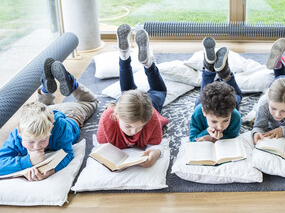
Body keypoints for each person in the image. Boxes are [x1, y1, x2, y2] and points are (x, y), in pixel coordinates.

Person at [0, 58, 98, 180]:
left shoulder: (60, 128)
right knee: (42, 109)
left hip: (71, 113)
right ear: (19, 132)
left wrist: (52, 171)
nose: (36, 147)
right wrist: (27, 161)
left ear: (51, 130)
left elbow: (68, 154)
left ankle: (73, 84)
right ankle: (46, 88)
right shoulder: (16, 136)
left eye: (42, 140)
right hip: (47, 113)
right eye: (30, 142)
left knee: (91, 101)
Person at [97, 24, 169, 167]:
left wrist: (155, 154)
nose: (134, 131)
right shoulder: (107, 119)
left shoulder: (151, 118)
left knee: (129, 92)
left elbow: (157, 145)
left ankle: (125, 56)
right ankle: (147, 63)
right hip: (126, 106)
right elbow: (101, 148)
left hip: (147, 106)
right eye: (129, 126)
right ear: (116, 114)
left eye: (140, 127)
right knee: (156, 91)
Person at [189, 37, 242, 142]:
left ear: (231, 111)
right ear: (204, 112)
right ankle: (224, 73)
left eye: (225, 120)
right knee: (237, 95)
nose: (220, 127)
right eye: (213, 121)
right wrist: (207, 133)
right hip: (201, 104)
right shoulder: (198, 113)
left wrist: (212, 138)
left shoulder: (235, 116)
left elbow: (233, 136)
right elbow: (192, 139)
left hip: (220, 105)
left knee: (235, 96)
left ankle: (210, 67)